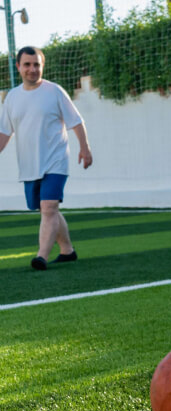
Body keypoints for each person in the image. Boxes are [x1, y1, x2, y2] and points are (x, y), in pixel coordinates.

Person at [0, 46, 93, 270]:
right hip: (30, 164)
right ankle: (67, 250)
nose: (33, 69)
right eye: (28, 65)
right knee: (45, 209)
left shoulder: (55, 91)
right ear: (19, 67)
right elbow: (5, 132)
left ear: (42, 66)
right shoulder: (12, 98)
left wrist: (85, 148)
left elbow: (76, 121)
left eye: (37, 65)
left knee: (49, 206)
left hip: (56, 160)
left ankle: (41, 255)